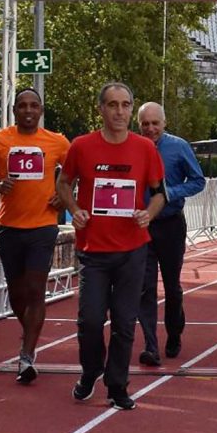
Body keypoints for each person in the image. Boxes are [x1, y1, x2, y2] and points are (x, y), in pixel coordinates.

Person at [57, 83, 166, 410]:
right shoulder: (81, 146)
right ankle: (91, 371)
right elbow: (64, 183)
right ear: (101, 109)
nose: (120, 112)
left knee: (123, 321)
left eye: (125, 105)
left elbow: (159, 193)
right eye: (113, 105)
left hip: (133, 249)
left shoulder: (145, 149)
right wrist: (75, 209)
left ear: (132, 110)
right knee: (90, 320)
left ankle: (117, 385)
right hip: (94, 251)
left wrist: (149, 213)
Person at [0, 88, 70, 384]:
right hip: (10, 227)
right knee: (17, 293)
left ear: (41, 110)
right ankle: (29, 331)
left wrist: (65, 197)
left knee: (36, 290)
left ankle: (26, 356)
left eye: (34, 106)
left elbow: (78, 173)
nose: (28, 110)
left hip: (43, 226)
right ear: (14, 110)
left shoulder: (57, 142)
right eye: (23, 106)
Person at [137, 102, 206, 367]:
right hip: (141, 225)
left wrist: (170, 194)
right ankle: (150, 345)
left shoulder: (178, 147)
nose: (150, 128)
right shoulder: (132, 147)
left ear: (164, 123)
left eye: (155, 123)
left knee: (172, 285)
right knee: (145, 287)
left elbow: (198, 180)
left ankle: (174, 332)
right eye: (145, 124)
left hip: (170, 225)